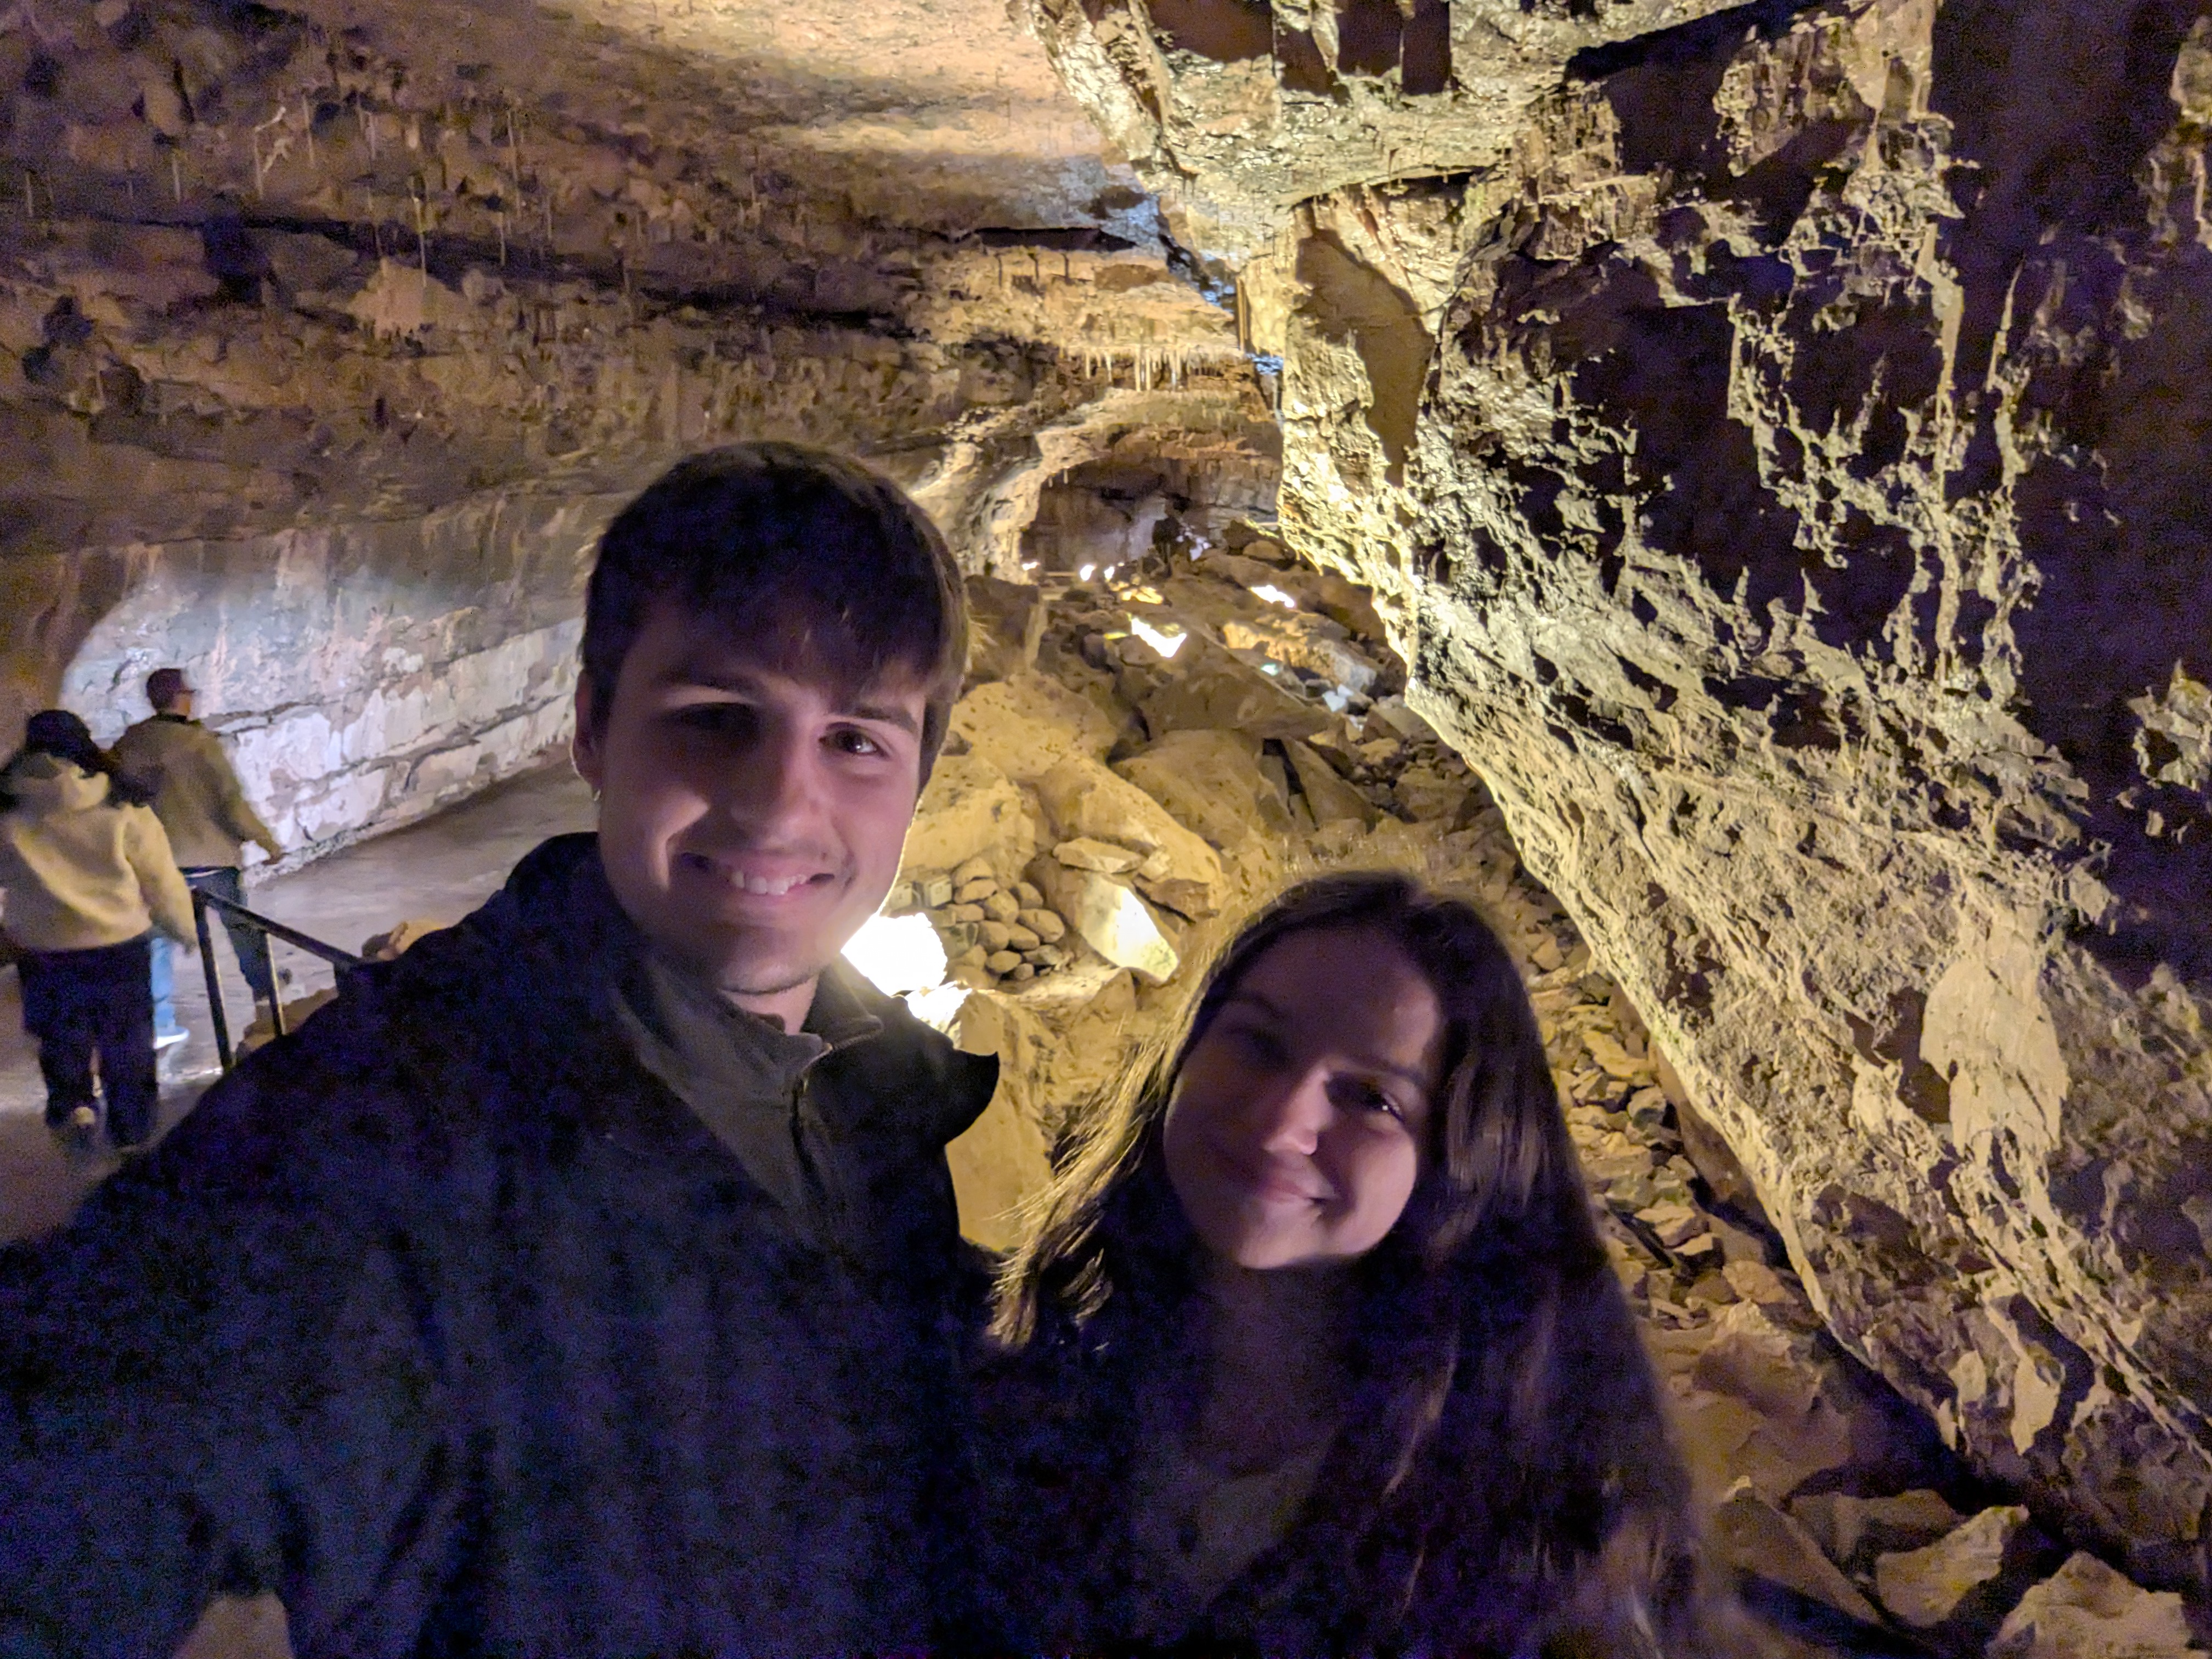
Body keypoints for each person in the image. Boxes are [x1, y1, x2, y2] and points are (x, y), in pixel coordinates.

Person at [0, 444, 998, 1655]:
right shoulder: (376, 1138)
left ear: (920, 775)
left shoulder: (873, 1092)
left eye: (856, 739)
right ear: (590, 726)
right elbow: (100, 1435)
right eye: (717, 718)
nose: (781, 803)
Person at [983, 871, 1719, 1658]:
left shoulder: (1535, 1537)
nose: (1281, 1122)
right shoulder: (1037, 1359)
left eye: (1371, 1098)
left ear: (1453, 1162)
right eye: (1259, 1043)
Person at [0, 710, 194, 1149]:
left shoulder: (8, 806)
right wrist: (182, 927)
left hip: (43, 946)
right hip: (117, 943)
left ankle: (75, 1107)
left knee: (60, 1035)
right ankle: (132, 1129)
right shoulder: (121, 802)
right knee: (127, 1041)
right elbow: (159, 877)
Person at [112, 667, 285, 1045]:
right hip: (211, 858)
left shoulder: (130, 743)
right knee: (241, 929)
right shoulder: (199, 743)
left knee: (157, 940)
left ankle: (161, 1021)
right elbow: (231, 803)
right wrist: (266, 841)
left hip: (158, 861)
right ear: (182, 697)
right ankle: (266, 1000)